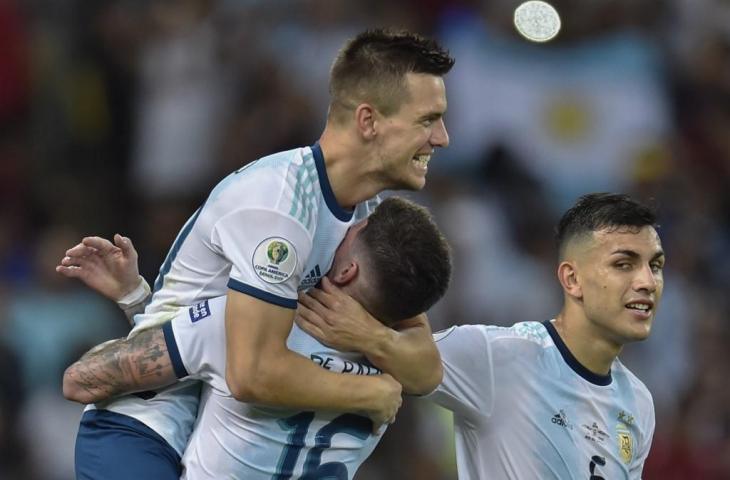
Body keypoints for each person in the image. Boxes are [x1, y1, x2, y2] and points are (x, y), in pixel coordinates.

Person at [57, 28, 454, 479]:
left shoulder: (368, 219)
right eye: (428, 119)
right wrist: (370, 393)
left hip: (215, 431)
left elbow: (424, 372)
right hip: (148, 426)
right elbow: (252, 374)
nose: (442, 138)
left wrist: (372, 338)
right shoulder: (278, 207)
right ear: (368, 121)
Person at [63, 196, 452, 479]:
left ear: (348, 271)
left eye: (353, 230)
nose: (341, 230)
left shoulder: (243, 328)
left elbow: (80, 380)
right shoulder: (396, 376)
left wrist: (138, 304)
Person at [296, 192, 662, 479]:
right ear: (572, 279)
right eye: (623, 264)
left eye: (655, 266)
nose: (647, 282)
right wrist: (367, 332)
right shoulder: (500, 357)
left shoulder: (639, 403)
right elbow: (408, 357)